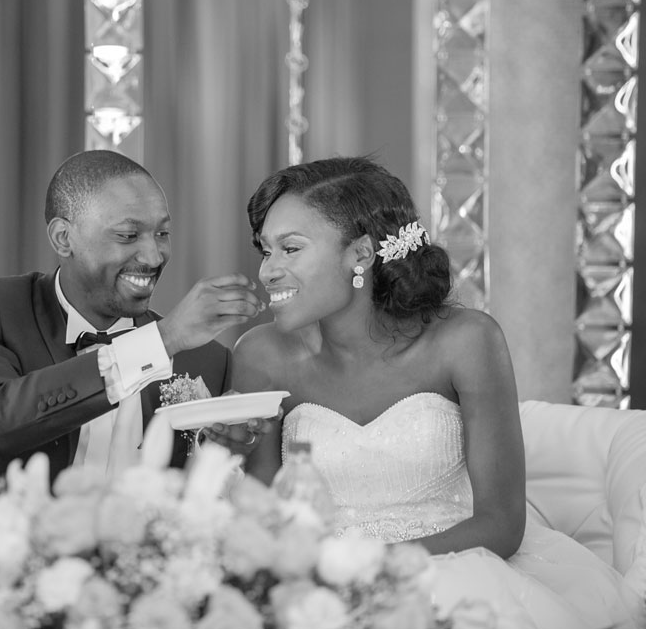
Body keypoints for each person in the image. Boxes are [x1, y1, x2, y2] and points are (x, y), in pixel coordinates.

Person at [234, 157, 642, 628]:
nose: (268, 272)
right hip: (315, 594)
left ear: (361, 254)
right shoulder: (262, 355)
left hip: (453, 573)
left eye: (290, 249)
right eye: (266, 251)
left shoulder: (467, 341)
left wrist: (368, 569)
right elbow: (261, 514)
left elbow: (502, 523)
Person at [0, 149, 267, 518]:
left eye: (162, 233)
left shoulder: (207, 361)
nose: (154, 256)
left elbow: (196, 507)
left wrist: (224, 451)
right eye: (128, 235)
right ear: (63, 238)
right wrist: (161, 341)